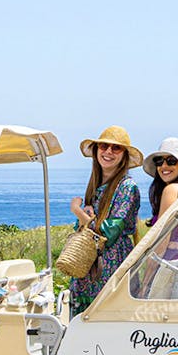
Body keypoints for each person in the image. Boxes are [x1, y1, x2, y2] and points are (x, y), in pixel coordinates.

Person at [68, 125, 141, 316]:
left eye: (116, 148)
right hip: (89, 269)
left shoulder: (127, 187)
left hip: (112, 269)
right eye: (104, 146)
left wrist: (78, 211)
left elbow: (109, 232)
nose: (108, 151)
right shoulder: (96, 185)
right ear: (96, 151)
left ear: (124, 156)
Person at [143, 137, 178, 225]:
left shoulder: (172, 190)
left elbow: (163, 236)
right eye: (159, 161)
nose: (164, 166)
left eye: (171, 161)